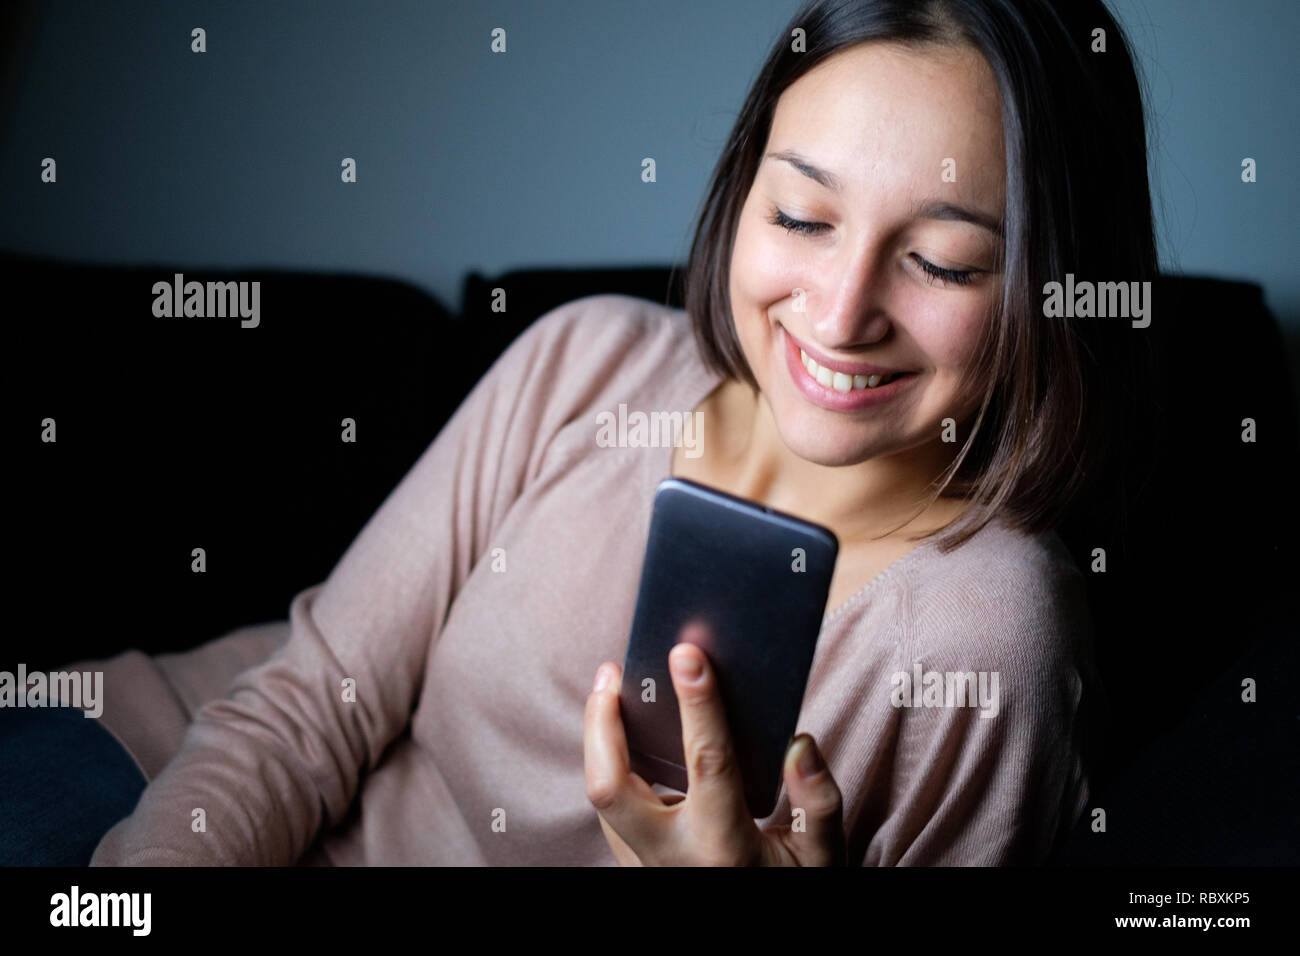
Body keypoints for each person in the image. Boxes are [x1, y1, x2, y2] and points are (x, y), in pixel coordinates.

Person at [23, 0, 1156, 866]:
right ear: (740, 192)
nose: (842, 309)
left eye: (943, 260)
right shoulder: (592, 357)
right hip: (160, 760)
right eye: (802, 215)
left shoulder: (985, 637)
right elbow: (310, 697)